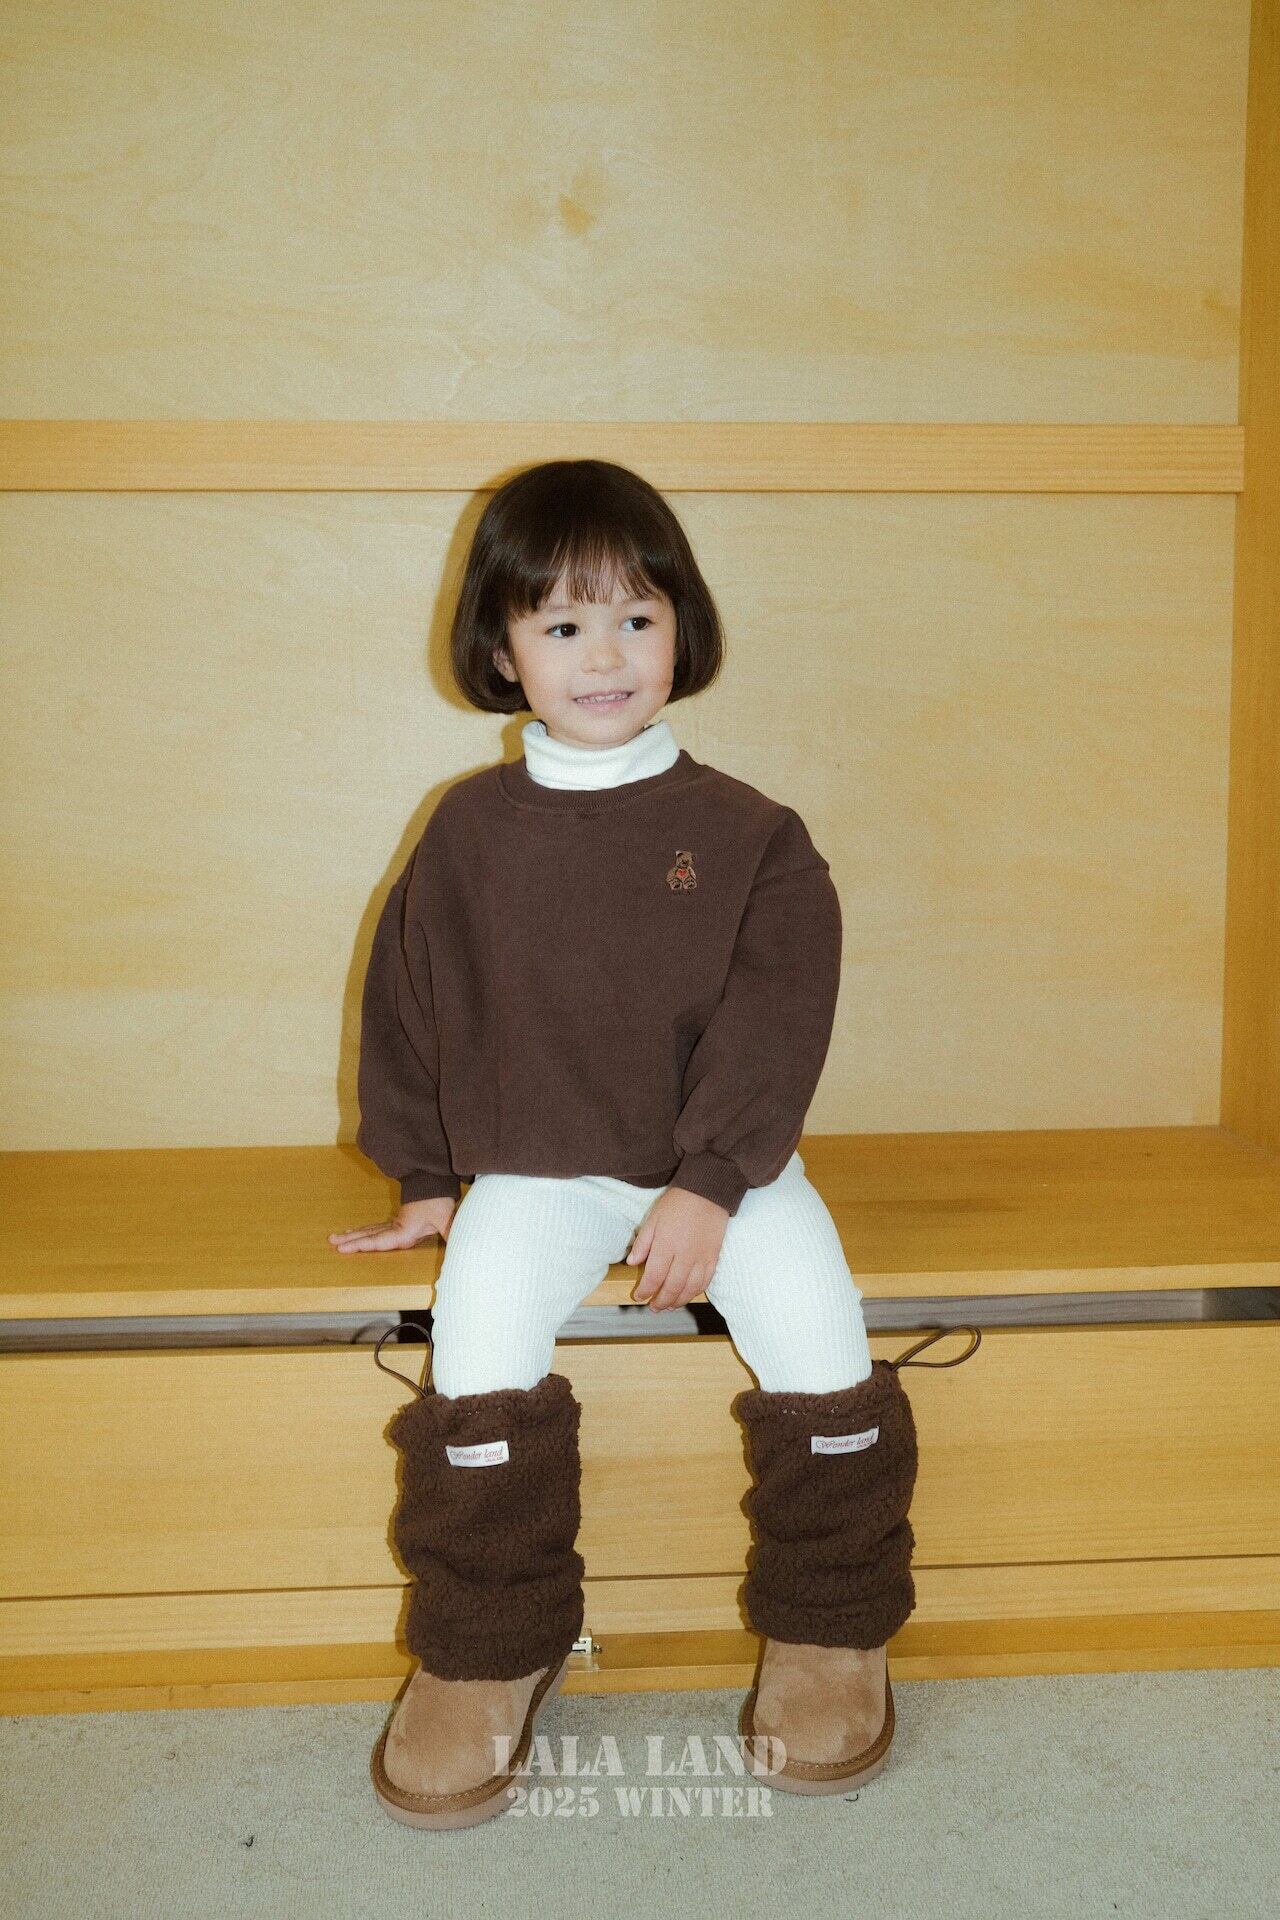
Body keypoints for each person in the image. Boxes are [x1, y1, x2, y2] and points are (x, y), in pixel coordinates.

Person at [329, 458, 922, 1829]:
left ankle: (833, 1627)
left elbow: (779, 1021)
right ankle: (491, 1643)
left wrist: (710, 1185)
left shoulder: (750, 835)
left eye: (636, 619)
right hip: (535, 1168)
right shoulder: (465, 834)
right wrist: (428, 1177)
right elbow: (411, 1000)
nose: (604, 656)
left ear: (680, 630)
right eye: (563, 623)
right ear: (503, 650)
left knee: (823, 1341)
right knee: (475, 1349)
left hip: (728, 1169)